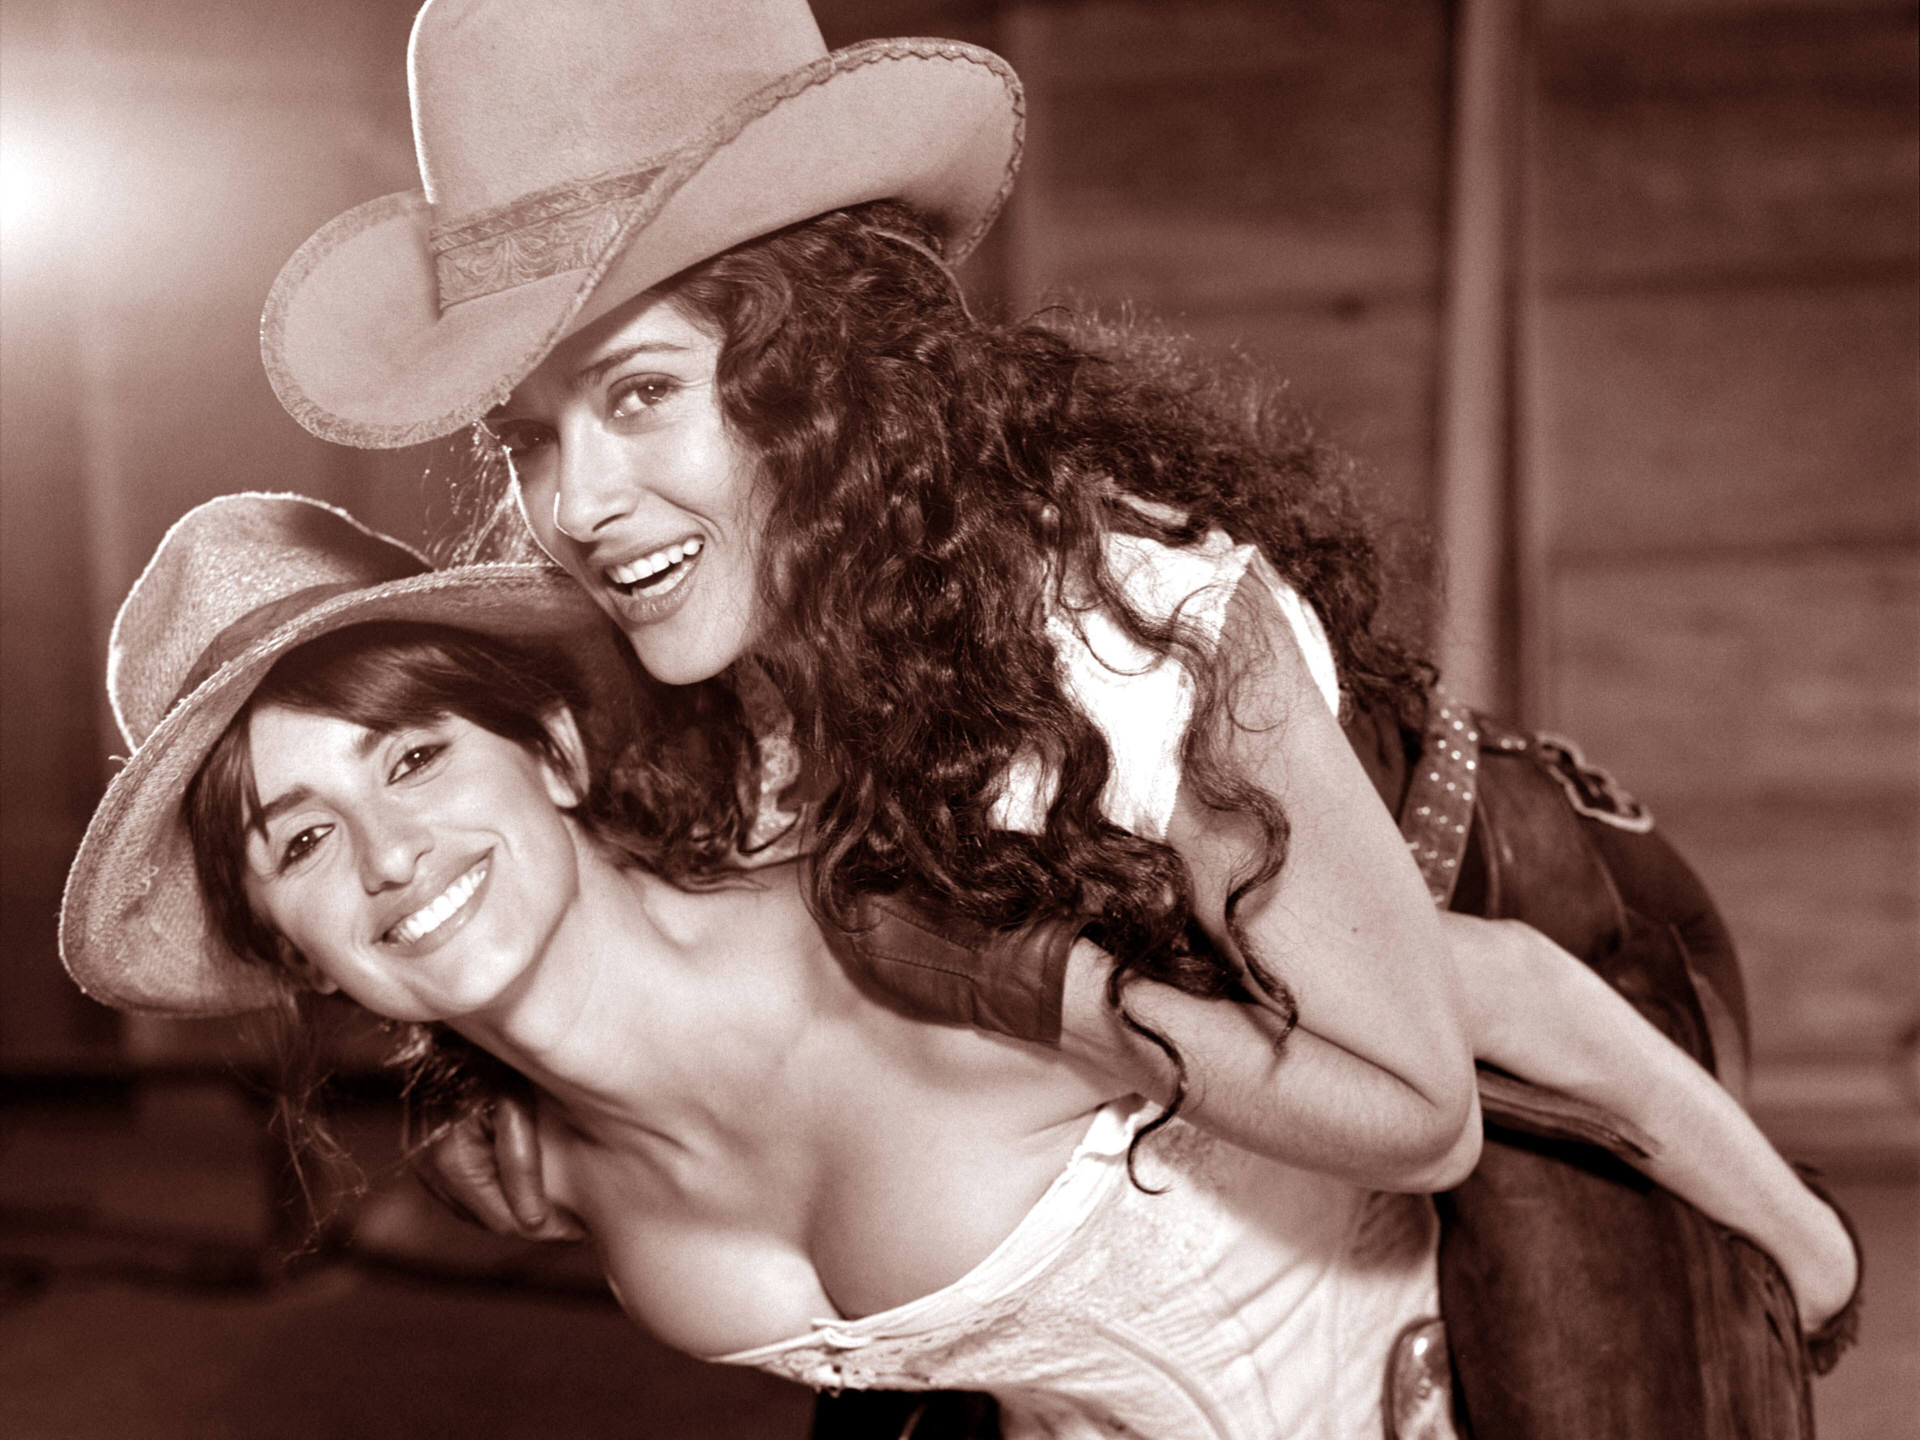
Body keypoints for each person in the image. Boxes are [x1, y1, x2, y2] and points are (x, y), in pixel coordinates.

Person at [254, 2, 1859, 1433]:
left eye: (642, 392)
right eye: (530, 437)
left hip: (1500, 1123)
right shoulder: (700, 682)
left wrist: (1031, 990)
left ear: (816, 365)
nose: (578, 504)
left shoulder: (1132, 629)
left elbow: (1438, 1084)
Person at [65, 495, 1853, 1440]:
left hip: (1511, 1357)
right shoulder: (514, 1168)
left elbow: (1511, 997)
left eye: (410, 757)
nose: (387, 855)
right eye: (299, 840)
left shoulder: (910, 927)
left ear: (549, 751)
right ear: (285, 940)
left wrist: (1811, 1259)